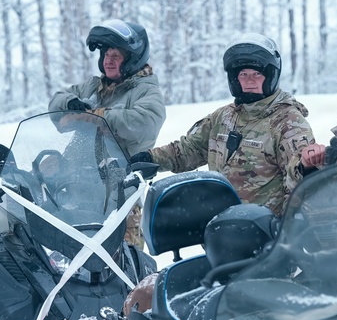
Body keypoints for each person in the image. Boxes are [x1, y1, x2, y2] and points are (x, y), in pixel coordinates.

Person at [129, 33, 314, 216]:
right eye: (243, 74)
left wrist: (287, 232)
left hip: (267, 234)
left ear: (270, 76)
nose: (250, 81)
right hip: (220, 230)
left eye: (257, 74)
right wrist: (150, 158)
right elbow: (187, 151)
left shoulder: (288, 122)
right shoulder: (223, 117)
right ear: (234, 78)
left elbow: (302, 181)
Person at [49, 18, 166, 246]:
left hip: (118, 200)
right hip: (77, 195)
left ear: (132, 59)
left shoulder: (146, 91)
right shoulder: (94, 87)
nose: (108, 61)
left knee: (122, 272)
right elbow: (55, 102)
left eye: (116, 56)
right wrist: (71, 102)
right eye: (106, 56)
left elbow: (144, 122)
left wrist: (96, 116)